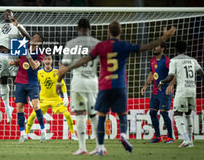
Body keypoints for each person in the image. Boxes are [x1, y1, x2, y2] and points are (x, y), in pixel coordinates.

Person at [58, 21, 176, 155]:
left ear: (108, 32)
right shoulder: (124, 45)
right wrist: (163, 38)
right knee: (122, 114)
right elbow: (145, 47)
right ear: (121, 32)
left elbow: (85, 59)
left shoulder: (101, 46)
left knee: (100, 116)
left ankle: (100, 147)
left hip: (104, 85)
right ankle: (124, 135)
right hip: (119, 85)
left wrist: (67, 68)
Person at [57, 18, 100, 155]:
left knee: (80, 114)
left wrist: (59, 82)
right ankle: (100, 146)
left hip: (79, 82)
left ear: (77, 29)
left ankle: (82, 147)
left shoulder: (71, 44)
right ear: (90, 28)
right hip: (93, 82)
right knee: (93, 114)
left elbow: (64, 66)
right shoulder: (98, 44)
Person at [158, 41, 204, 148]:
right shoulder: (193, 60)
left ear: (176, 49)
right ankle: (190, 141)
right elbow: (203, 74)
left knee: (177, 114)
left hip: (182, 90)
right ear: (185, 49)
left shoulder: (174, 61)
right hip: (192, 90)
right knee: (188, 114)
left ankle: (185, 139)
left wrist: (162, 82)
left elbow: (171, 76)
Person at [25, 54, 77, 140]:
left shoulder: (57, 72)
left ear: (51, 61)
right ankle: (26, 134)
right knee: (32, 116)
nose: (47, 61)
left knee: (67, 114)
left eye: (49, 59)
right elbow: (32, 84)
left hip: (56, 99)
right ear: (43, 61)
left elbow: (62, 84)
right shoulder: (39, 72)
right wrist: (31, 96)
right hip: (43, 99)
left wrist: (65, 96)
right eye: (45, 59)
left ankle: (73, 134)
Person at [9, 33, 46, 143]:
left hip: (32, 83)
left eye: (35, 37)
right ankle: (22, 134)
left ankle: (43, 131)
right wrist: (13, 63)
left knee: (36, 105)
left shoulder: (40, 54)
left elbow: (35, 66)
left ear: (38, 42)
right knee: (19, 107)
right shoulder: (23, 47)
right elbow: (20, 60)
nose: (32, 38)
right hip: (20, 81)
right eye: (32, 37)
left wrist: (28, 55)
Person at [141, 43, 175, 143]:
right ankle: (158, 137)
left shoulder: (167, 61)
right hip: (155, 91)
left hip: (165, 91)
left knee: (164, 113)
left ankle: (170, 137)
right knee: (152, 112)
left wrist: (170, 85)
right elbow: (151, 73)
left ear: (162, 48)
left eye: (157, 46)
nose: (154, 48)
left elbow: (174, 74)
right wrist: (145, 85)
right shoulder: (152, 60)